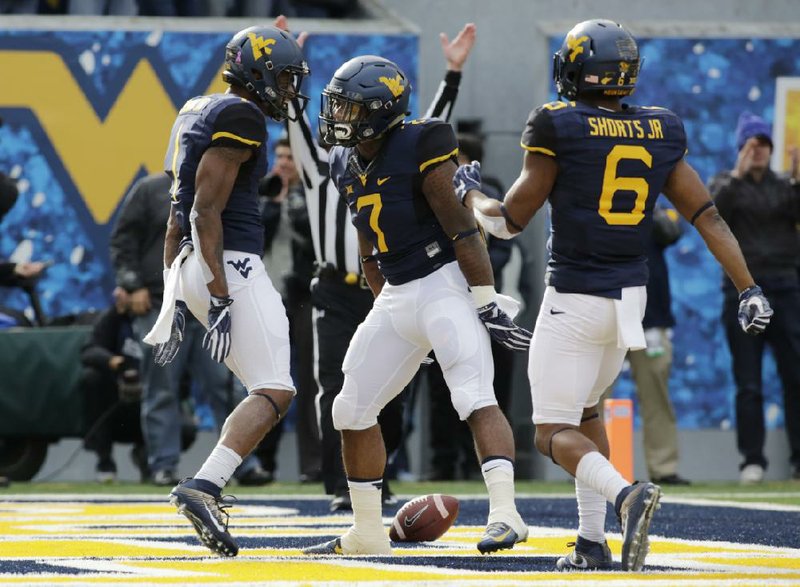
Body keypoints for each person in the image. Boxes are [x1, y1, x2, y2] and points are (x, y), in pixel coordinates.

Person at [455, 19, 773, 571]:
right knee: (586, 413)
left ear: (577, 70)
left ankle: (626, 496)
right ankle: (590, 542)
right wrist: (750, 289)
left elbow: (507, 223)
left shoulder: (559, 125)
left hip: (575, 297)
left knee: (551, 433)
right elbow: (708, 216)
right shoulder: (659, 128)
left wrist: (470, 194)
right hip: (631, 303)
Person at [302, 53, 531, 557]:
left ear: (381, 111)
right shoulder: (345, 158)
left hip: (445, 281)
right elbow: (367, 239)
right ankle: (366, 531)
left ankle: (506, 515)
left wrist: (486, 300)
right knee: (351, 406)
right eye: (337, 106)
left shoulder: (422, 142)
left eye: (350, 108)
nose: (339, 117)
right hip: (400, 291)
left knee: (472, 395)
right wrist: (385, 304)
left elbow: (462, 229)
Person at [283, 18, 478, 510]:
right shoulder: (323, 163)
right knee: (335, 388)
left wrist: (452, 74)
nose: (339, 118)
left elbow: (424, 127)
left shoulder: (394, 154)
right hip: (333, 286)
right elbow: (296, 125)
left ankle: (379, 481)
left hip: (389, 283)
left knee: (390, 391)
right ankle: (341, 488)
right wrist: (289, 77)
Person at [142, 25, 309, 557]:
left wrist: (177, 291)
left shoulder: (197, 108)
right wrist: (216, 295)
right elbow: (202, 210)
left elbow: (178, 214)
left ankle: (207, 484)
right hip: (229, 263)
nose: (287, 90)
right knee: (276, 388)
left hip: (196, 262)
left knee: (265, 385)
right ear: (255, 73)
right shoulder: (240, 116)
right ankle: (204, 485)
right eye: (282, 77)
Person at [111, 172, 272, 488]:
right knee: (162, 386)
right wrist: (132, 284)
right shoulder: (150, 190)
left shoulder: (223, 184)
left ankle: (241, 463)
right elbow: (123, 239)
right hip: (164, 300)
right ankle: (163, 464)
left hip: (211, 303)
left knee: (227, 386)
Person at [709, 112, 800, 484]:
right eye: (752, 144)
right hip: (742, 292)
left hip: (786, 287)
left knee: (795, 376)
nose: (759, 150)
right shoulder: (724, 183)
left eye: (764, 144)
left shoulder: (784, 185)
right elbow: (714, 216)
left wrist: (798, 180)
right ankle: (752, 460)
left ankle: (798, 459)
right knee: (748, 382)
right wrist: (737, 172)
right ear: (740, 148)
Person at [427, 130, 516, 481]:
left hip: (489, 305)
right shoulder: (432, 196)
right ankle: (444, 461)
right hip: (446, 305)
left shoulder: (488, 197)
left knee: (490, 388)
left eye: (455, 161)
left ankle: (487, 460)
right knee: (442, 388)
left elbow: (500, 252)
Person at [605, 204, 690, 486]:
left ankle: (664, 467)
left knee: (657, 395)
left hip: (650, 318)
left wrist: (647, 205)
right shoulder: (597, 200)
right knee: (594, 394)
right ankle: (589, 462)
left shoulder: (650, 204)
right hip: (607, 313)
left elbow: (672, 232)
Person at [255, 136, 321, 483]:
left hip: (304, 296)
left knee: (311, 382)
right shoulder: (264, 193)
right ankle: (262, 464)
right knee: (268, 378)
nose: (283, 164)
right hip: (269, 296)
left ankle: (313, 466)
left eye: (289, 158)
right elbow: (254, 240)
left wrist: (291, 205)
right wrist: (272, 202)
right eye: (279, 157)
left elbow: (314, 239)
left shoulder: (313, 194)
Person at [79, 289, 147, 483]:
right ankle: (104, 460)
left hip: (151, 393)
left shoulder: (162, 315)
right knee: (92, 380)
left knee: (185, 427)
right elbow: (89, 350)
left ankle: (153, 460)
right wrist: (111, 361)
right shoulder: (115, 317)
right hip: (116, 397)